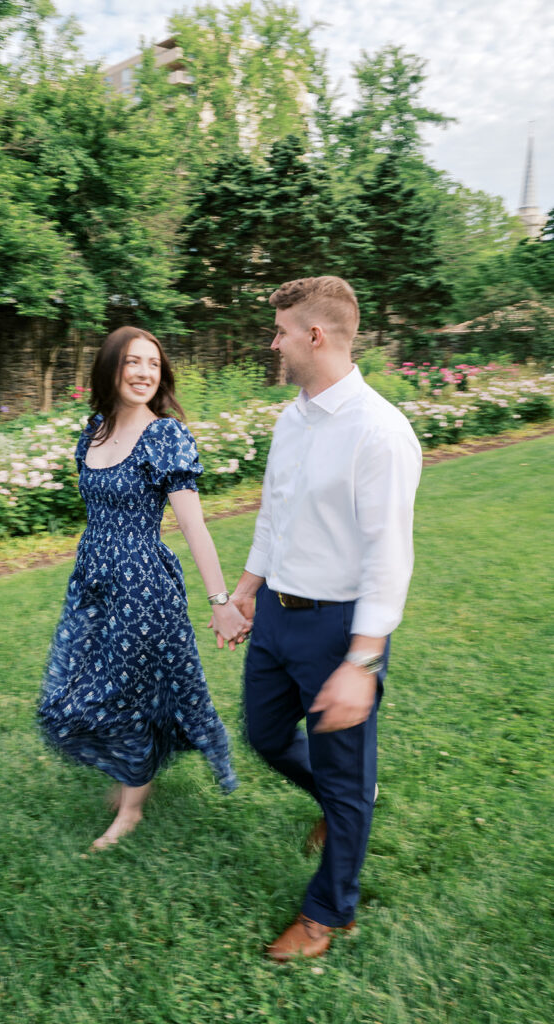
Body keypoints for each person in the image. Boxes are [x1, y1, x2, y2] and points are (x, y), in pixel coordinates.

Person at [223, 276, 422, 961]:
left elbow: (388, 558)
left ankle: (329, 912)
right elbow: (274, 515)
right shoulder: (291, 419)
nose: (272, 343)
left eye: (280, 331)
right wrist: (246, 590)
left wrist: (360, 662)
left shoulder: (379, 432)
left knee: (343, 776)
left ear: (315, 335)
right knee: (265, 734)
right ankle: (344, 809)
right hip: (277, 613)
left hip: (338, 630)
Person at [39, 326, 249, 850]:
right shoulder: (93, 430)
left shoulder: (166, 437)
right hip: (92, 581)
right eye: (133, 362)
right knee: (67, 693)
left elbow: (194, 527)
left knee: (126, 692)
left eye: (153, 364)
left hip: (142, 587)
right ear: (111, 368)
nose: (144, 373)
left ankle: (131, 806)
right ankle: (137, 771)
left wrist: (221, 602)